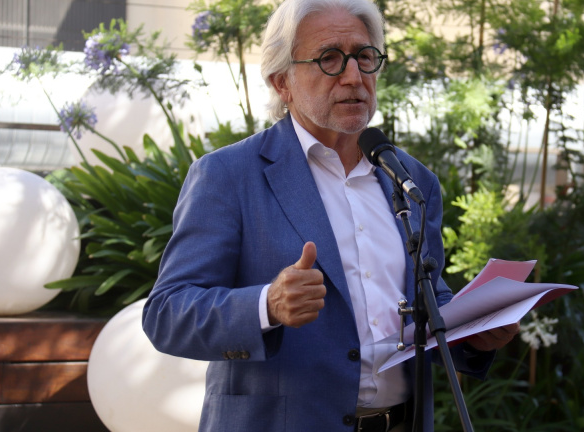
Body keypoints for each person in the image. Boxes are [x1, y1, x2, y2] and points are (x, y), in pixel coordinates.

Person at [142, 0, 519, 430]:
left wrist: (476, 332)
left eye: (364, 56)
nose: (354, 76)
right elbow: (167, 313)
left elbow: (428, 300)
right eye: (330, 58)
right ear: (282, 82)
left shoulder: (412, 180)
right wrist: (266, 305)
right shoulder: (229, 175)